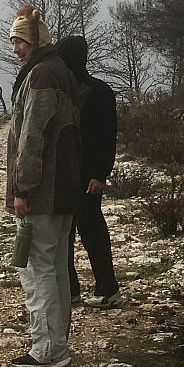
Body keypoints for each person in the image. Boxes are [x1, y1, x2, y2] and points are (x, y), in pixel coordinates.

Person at [6, 5, 82, 367]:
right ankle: (57, 343)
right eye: (13, 41)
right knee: (56, 267)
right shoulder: (62, 72)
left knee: (37, 270)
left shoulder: (41, 76)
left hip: (43, 191)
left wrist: (22, 189)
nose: (16, 49)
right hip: (64, 188)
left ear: (36, 41)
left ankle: (47, 349)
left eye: (20, 41)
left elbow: (32, 136)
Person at [57, 35, 121, 309]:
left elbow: (107, 137)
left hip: (87, 174)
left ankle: (108, 288)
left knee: (91, 229)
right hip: (66, 173)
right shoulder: (65, 92)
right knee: (64, 231)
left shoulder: (98, 91)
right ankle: (70, 289)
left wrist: (100, 174)